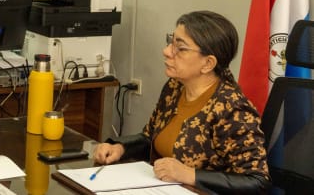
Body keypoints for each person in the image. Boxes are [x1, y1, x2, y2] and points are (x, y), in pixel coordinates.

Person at [93, 11, 271, 194]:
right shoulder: (175, 87)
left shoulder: (233, 109)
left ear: (208, 63)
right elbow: (150, 137)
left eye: (181, 48)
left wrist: (190, 175)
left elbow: (257, 181)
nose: (167, 51)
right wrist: (120, 147)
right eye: (171, 41)